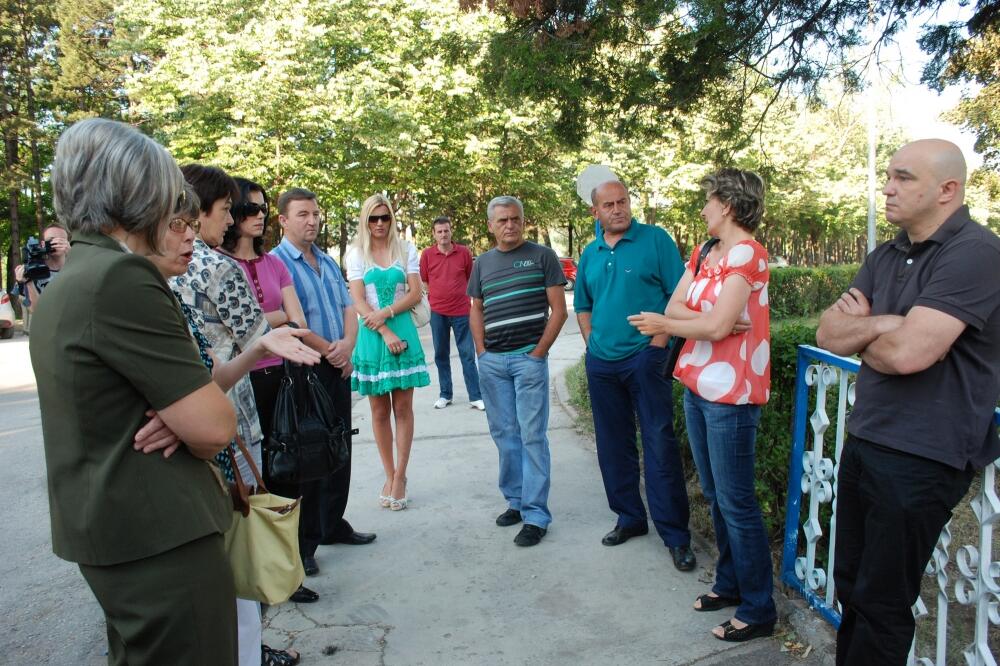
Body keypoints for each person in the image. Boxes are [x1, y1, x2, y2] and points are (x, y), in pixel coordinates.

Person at [29, 117, 239, 664]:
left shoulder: (72, 277)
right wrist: (188, 414)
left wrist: (176, 412)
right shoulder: (121, 277)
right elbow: (215, 427)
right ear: (136, 193)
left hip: (115, 530)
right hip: (161, 534)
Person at [815, 139, 1000, 665]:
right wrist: (887, 324)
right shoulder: (887, 254)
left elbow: (908, 354)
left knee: (881, 602)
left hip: (924, 452)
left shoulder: (976, 253)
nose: (888, 188)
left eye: (903, 178)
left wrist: (866, 332)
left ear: (947, 190)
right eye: (889, 176)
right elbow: (828, 334)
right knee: (851, 583)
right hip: (867, 435)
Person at [152, 184, 317, 666]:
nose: (231, 220)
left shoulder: (157, 279)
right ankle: (250, 649)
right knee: (239, 545)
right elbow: (255, 333)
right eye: (227, 210)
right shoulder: (214, 267)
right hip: (229, 422)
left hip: (189, 427)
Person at [629, 168, 776, 643]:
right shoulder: (704, 251)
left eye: (709, 199)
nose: (703, 207)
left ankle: (759, 608)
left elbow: (699, 325)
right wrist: (709, 319)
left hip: (732, 395)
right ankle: (730, 584)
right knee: (715, 495)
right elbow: (680, 309)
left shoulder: (748, 253)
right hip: (698, 385)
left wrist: (681, 324)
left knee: (737, 502)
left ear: (727, 204)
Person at [573, 180, 695, 571]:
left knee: (658, 442)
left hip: (645, 357)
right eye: (608, 204)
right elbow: (583, 305)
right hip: (602, 363)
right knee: (612, 444)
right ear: (595, 212)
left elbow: (679, 295)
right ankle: (629, 517)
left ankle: (675, 535)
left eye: (622, 201)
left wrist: (658, 344)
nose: (617, 209)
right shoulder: (590, 253)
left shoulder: (655, 240)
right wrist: (591, 345)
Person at [272, 188, 377, 544]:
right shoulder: (278, 264)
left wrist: (347, 346)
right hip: (305, 371)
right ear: (283, 220)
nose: (312, 220)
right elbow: (292, 321)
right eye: (302, 214)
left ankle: (333, 524)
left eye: (315, 214)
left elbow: (349, 307)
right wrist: (331, 352)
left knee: (339, 445)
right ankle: (308, 542)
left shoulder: (328, 261)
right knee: (312, 453)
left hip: (338, 366)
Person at [468, 195, 567, 547]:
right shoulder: (482, 263)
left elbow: (559, 311)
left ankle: (536, 515)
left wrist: (538, 354)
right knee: (505, 435)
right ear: (490, 226)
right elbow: (476, 308)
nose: (510, 225)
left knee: (532, 436)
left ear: (523, 221)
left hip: (528, 361)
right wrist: (482, 352)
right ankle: (516, 500)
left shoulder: (543, 256)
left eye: (515, 219)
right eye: (502, 220)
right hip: (493, 363)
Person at [346, 194, 431, 511]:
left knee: (403, 408)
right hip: (372, 335)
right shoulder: (356, 253)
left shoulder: (406, 249)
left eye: (385, 217)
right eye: (373, 218)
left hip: (403, 330)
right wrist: (383, 328)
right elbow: (357, 299)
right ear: (365, 221)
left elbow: (415, 292)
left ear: (391, 219)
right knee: (379, 410)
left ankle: (401, 477)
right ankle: (389, 473)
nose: (380, 223)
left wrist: (388, 313)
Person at [419, 216, 484, 411]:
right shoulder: (427, 255)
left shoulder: (464, 252)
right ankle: (445, 394)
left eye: (446, 230)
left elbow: (470, 278)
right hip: (437, 312)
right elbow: (424, 280)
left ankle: (475, 396)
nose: (443, 234)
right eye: (439, 231)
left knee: (467, 354)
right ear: (434, 234)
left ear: (451, 231)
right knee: (441, 354)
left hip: (462, 311)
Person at [13, 223, 70, 313]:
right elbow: (34, 310)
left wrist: (73, 255)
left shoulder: (77, 267)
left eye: (61, 240)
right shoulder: (33, 270)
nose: (56, 243)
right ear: (43, 244)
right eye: (51, 240)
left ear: (68, 243)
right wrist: (28, 282)